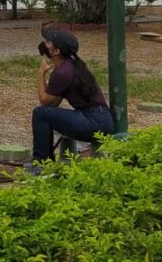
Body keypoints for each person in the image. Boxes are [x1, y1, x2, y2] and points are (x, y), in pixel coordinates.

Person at [30, 27, 114, 166]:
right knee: (45, 113)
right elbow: (53, 103)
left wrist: (41, 74)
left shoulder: (63, 72)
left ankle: (41, 163)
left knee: (40, 113)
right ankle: (45, 161)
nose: (45, 44)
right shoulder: (70, 65)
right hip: (101, 119)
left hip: (94, 122)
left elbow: (44, 101)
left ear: (56, 51)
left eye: (49, 42)